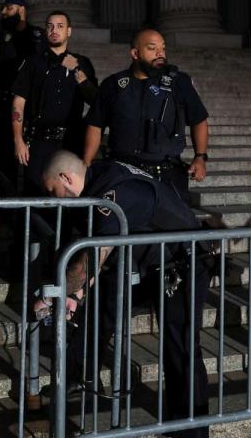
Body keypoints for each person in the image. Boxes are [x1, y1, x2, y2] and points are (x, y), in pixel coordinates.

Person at [35, 150, 210, 438]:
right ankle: (82, 377)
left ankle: (193, 432)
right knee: (105, 311)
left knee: (182, 350)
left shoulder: (115, 192)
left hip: (184, 263)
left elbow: (93, 256)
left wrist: (54, 294)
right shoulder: (100, 178)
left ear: (66, 177)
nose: (53, 199)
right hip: (155, 264)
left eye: (53, 190)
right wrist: (74, 295)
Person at [84, 27, 209, 205]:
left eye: (163, 48)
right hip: (123, 173)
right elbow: (95, 125)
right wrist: (87, 164)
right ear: (135, 53)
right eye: (152, 48)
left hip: (167, 174)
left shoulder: (179, 82)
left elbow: (199, 120)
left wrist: (200, 156)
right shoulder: (114, 85)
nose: (160, 54)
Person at [11, 11, 98, 196]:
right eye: (50, 26)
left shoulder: (82, 63)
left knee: (70, 194)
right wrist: (18, 139)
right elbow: (18, 103)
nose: (54, 30)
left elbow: (95, 101)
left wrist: (77, 72)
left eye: (60, 26)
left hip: (71, 141)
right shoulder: (33, 62)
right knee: (35, 193)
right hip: (38, 141)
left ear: (69, 31)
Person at [0, 0, 46, 191]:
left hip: (34, 108)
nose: (3, 12)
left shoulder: (38, 37)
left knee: (36, 164)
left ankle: (33, 213)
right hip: (6, 105)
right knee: (7, 160)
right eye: (3, 8)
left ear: (21, 9)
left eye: (8, 7)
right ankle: (8, 210)